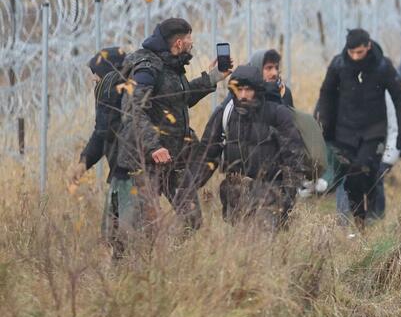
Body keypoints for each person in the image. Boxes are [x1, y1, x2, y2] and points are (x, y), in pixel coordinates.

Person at [116, 18, 230, 233]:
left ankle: (173, 259)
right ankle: (136, 263)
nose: (192, 43)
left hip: (173, 159)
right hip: (146, 159)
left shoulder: (171, 66)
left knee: (191, 219)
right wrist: (154, 146)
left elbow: (178, 98)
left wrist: (214, 77)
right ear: (179, 42)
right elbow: (133, 110)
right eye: (189, 38)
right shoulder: (146, 69)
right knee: (143, 227)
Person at [315, 29, 401, 226]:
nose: (356, 57)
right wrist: (323, 124)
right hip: (345, 131)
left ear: (368, 46)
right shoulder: (338, 65)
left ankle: (374, 216)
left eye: (360, 52)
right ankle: (360, 221)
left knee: (368, 171)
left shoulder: (382, 66)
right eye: (352, 53)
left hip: (373, 131)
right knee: (351, 177)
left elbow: (399, 98)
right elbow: (326, 94)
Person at [198, 66, 306, 229]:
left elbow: (294, 160)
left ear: (258, 90)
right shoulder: (224, 113)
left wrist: (286, 201)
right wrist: (189, 186)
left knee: (261, 241)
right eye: (238, 90)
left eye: (248, 90)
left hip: (270, 195)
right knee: (241, 250)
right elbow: (207, 155)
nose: (242, 95)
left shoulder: (278, 114)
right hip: (235, 197)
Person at [68, 47, 127, 249]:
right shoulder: (109, 93)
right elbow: (101, 133)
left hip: (129, 174)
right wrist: (85, 161)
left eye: (96, 73)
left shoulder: (119, 94)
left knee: (122, 234)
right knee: (113, 234)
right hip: (120, 173)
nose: (94, 79)